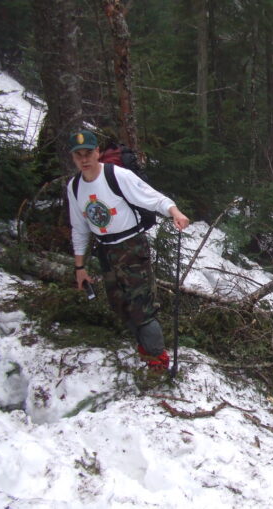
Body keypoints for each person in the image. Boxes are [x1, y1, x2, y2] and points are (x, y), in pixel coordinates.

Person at [66, 129, 189, 370]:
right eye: (78, 155)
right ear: (73, 158)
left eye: (88, 153)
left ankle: (158, 362)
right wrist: (79, 266)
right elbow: (79, 228)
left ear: (97, 152)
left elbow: (151, 197)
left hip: (131, 247)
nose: (84, 159)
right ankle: (146, 349)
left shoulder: (116, 175)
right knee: (119, 305)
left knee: (141, 308)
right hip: (105, 250)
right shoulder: (74, 187)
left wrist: (174, 211)